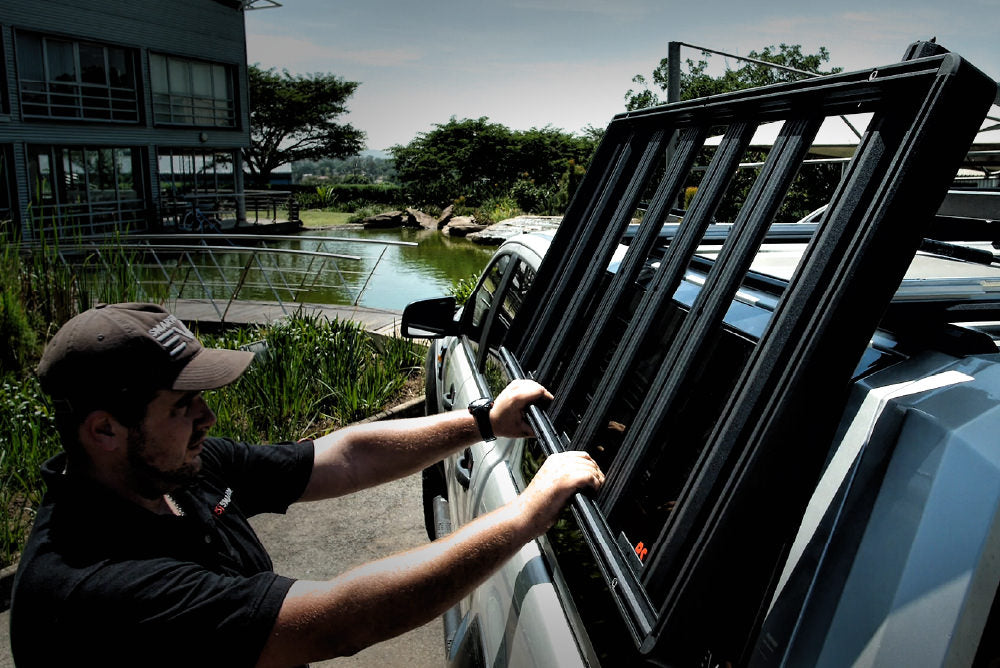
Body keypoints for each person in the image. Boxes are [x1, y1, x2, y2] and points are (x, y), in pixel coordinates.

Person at [9, 302, 604, 667]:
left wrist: (482, 421)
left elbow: (339, 457)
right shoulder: (94, 587)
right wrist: (526, 515)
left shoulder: (172, 470)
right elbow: (339, 620)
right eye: (183, 406)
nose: (207, 420)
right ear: (104, 429)